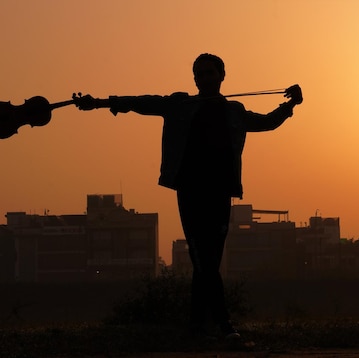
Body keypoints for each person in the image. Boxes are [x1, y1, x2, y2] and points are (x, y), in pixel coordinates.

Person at [75, 53, 303, 340]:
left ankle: (197, 326)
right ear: (195, 78)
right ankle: (223, 325)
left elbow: (268, 122)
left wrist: (290, 104)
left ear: (222, 76)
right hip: (191, 192)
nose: (206, 78)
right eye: (201, 74)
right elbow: (139, 102)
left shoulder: (234, 111)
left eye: (211, 73)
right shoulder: (179, 105)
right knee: (203, 260)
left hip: (220, 194)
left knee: (206, 263)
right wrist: (98, 102)